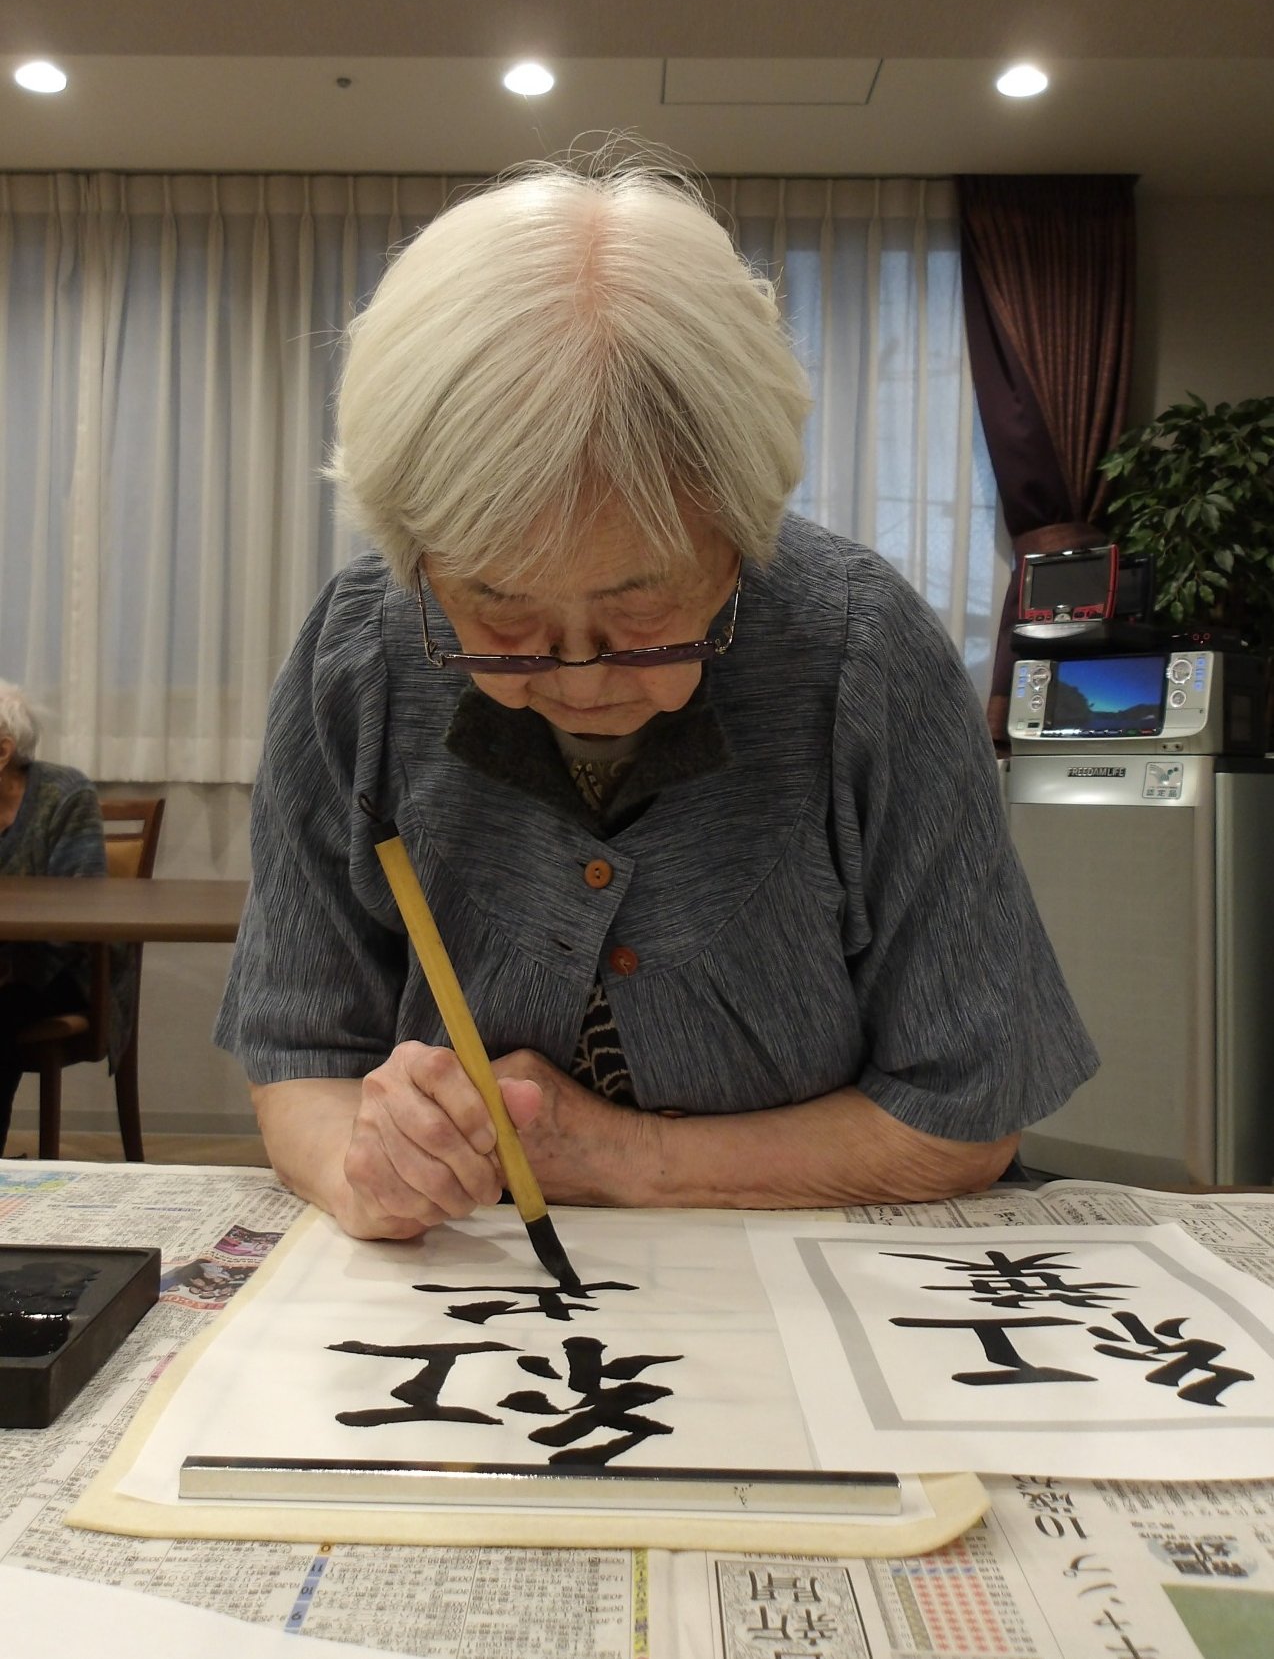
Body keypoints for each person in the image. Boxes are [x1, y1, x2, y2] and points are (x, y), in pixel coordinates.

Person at [215, 160, 1098, 1241]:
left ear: (740, 535)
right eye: (498, 613)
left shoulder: (860, 652)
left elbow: (962, 1118)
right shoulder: (359, 653)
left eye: (643, 612)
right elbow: (301, 1064)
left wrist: (626, 1158)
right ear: (420, 560)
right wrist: (369, 1167)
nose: (580, 678)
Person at [0, 682, 107, 1153]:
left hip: (59, 973)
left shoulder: (64, 795)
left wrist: (10, 971)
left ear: (2, 751)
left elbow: (79, 915)